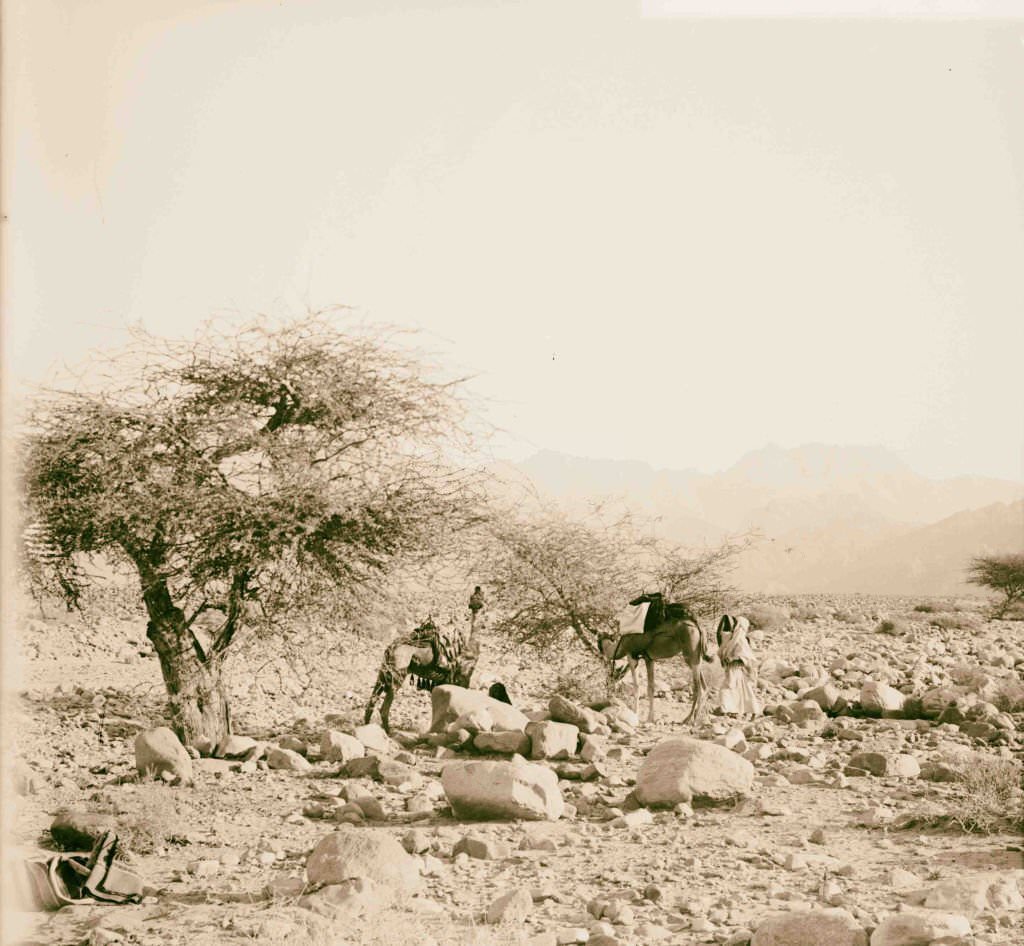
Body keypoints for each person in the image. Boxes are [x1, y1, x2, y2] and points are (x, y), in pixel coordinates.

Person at [716, 614, 762, 718]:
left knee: (726, 689)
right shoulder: (732, 639)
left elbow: (747, 657)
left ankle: (726, 710)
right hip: (732, 669)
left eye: (735, 624)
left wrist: (732, 659)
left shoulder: (741, 640)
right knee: (743, 691)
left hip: (737, 669)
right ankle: (745, 711)